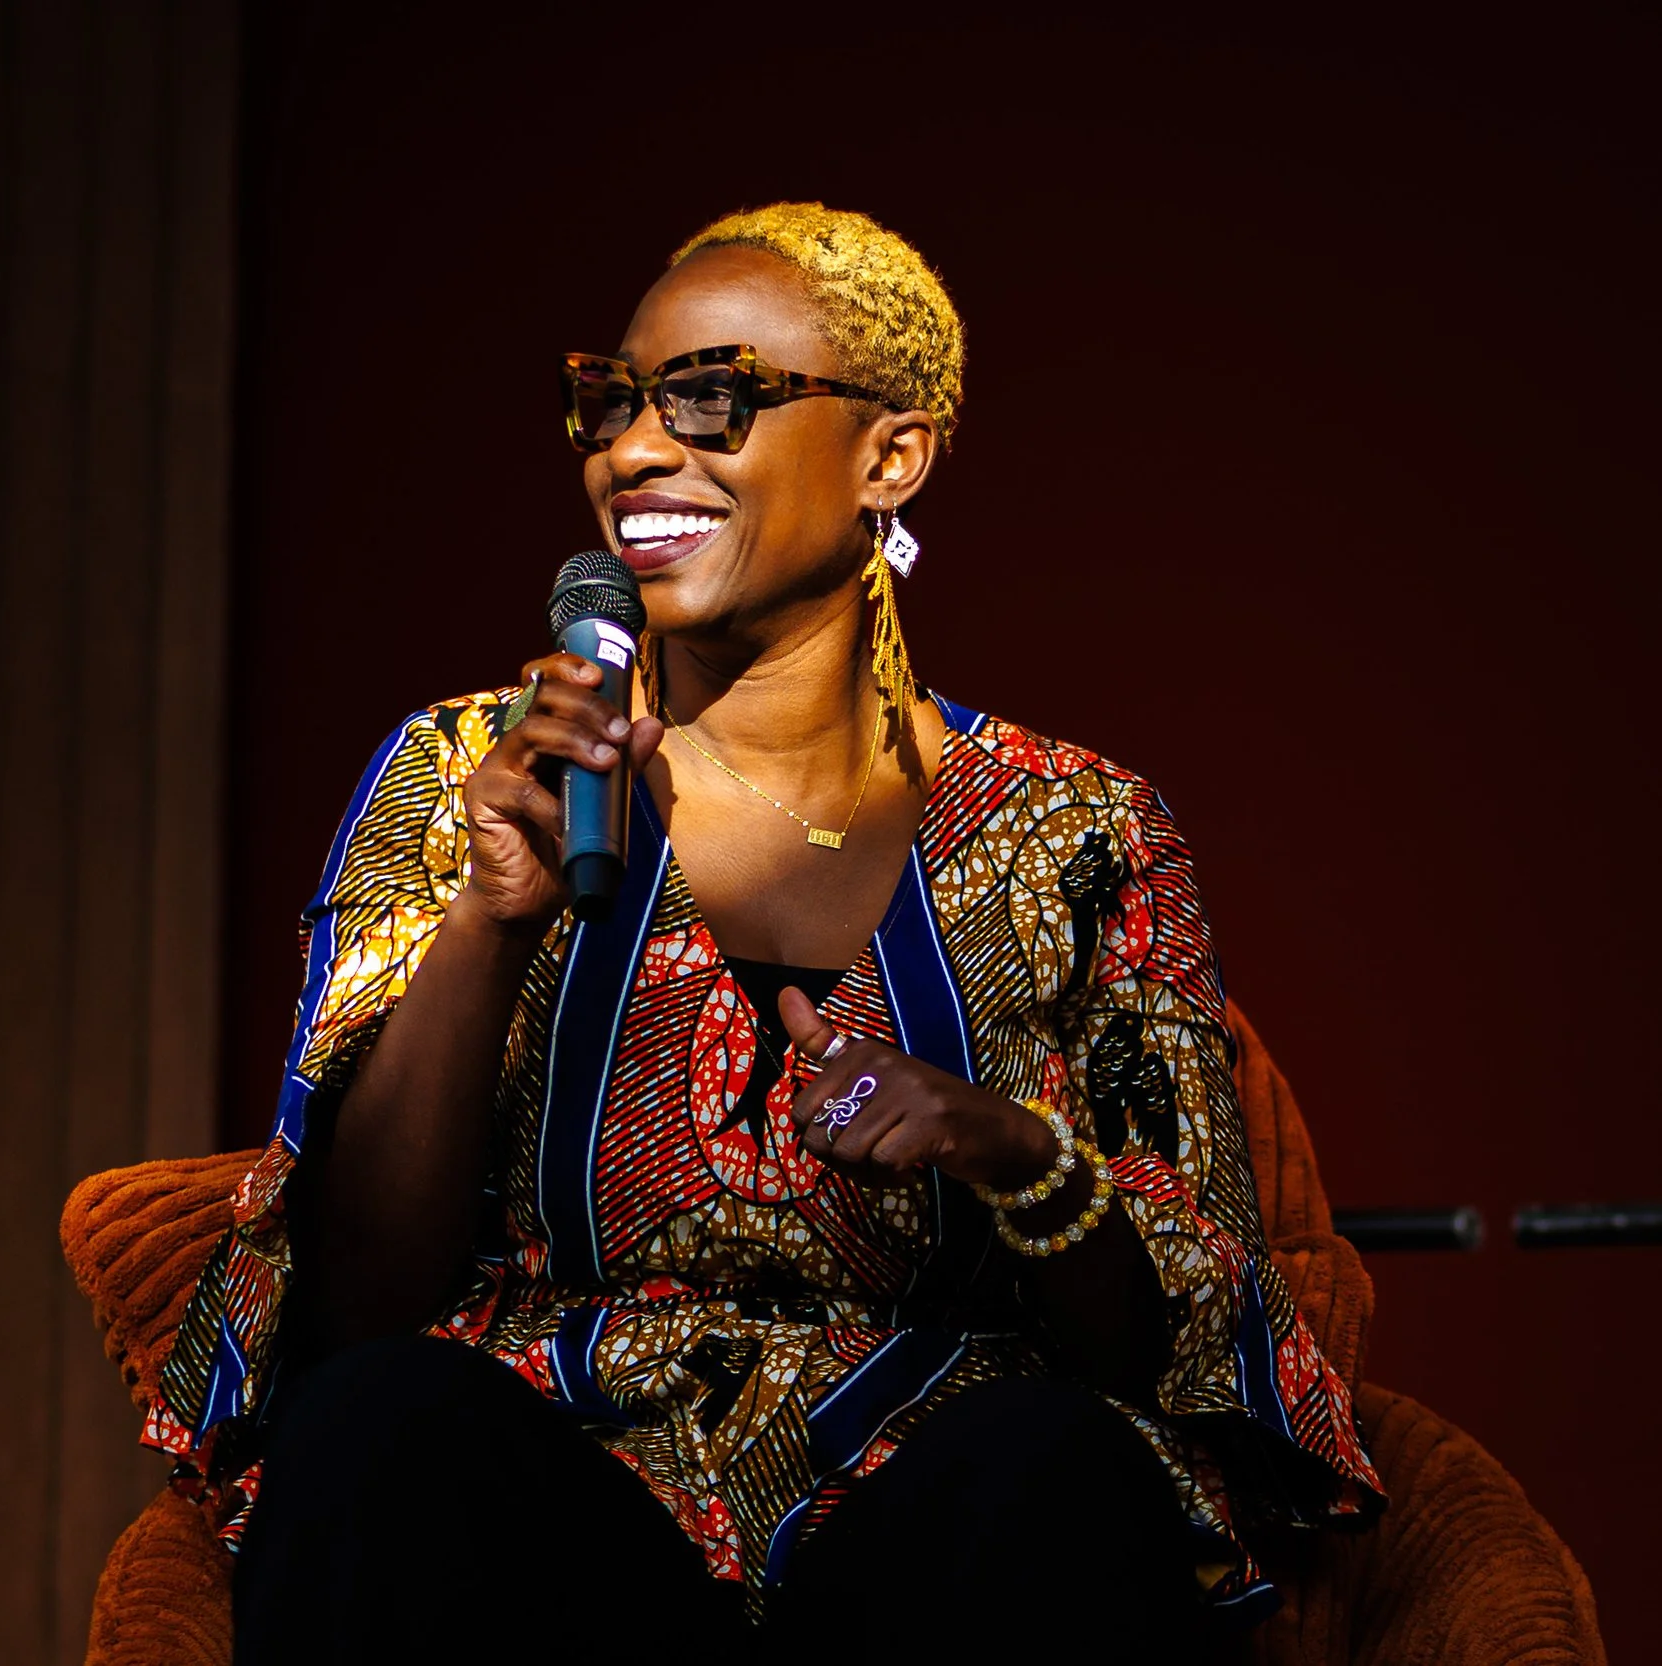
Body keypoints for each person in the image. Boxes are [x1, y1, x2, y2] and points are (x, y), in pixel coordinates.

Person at [142, 205, 1382, 1664]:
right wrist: (491, 915)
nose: (633, 452)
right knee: (374, 1425)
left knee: (1052, 1465)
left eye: (711, 399)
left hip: (943, 1525)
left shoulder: (1080, 827)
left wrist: (1013, 1151)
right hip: (555, 1510)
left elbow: (1172, 1336)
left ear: (891, 456)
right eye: (612, 402)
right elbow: (358, 1296)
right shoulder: (472, 766)